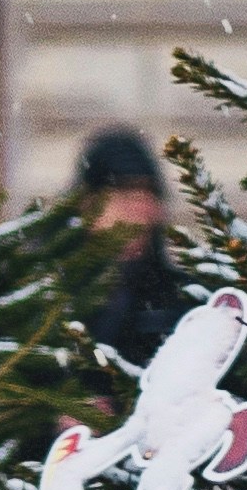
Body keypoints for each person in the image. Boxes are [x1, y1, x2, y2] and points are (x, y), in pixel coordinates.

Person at [67, 128, 190, 371]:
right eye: (124, 196)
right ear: (86, 204)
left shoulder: (182, 300)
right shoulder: (50, 296)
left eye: (147, 196)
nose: (139, 211)